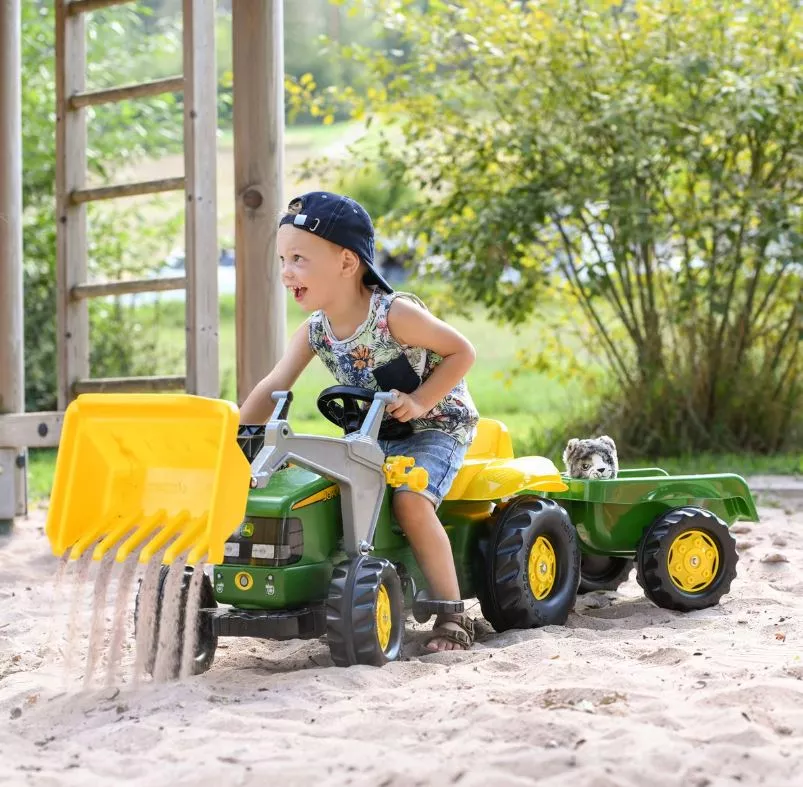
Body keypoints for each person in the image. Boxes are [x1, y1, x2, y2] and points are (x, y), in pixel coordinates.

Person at [239, 191, 480, 652]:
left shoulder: (394, 316)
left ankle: (451, 615)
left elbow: (462, 351)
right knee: (321, 493)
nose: (286, 272)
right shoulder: (315, 330)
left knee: (409, 502)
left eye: (299, 259)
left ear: (347, 262)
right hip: (372, 435)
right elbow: (275, 383)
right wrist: (236, 435)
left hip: (435, 428)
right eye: (282, 259)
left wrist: (422, 400)